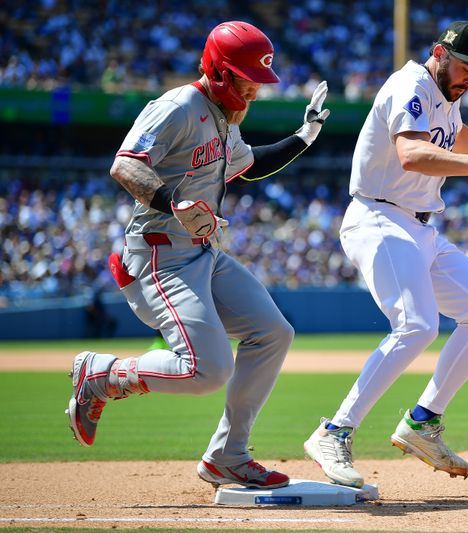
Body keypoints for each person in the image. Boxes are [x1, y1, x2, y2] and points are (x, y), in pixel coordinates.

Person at [66, 21, 330, 490]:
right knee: (207, 369)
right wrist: (174, 202)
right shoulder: (180, 105)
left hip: (203, 253)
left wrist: (304, 136)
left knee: (273, 333)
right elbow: (124, 164)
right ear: (221, 71)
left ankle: (227, 456)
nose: (255, 90)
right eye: (248, 79)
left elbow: (248, 167)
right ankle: (102, 374)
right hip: (161, 253)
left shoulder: (225, 116)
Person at [304, 21, 468, 488]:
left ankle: (423, 422)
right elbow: (413, 155)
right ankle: (333, 431)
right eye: (466, 65)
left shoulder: (446, 100)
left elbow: (458, 137)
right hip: (378, 218)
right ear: (439, 52)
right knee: (417, 325)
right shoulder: (411, 85)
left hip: (420, 227)